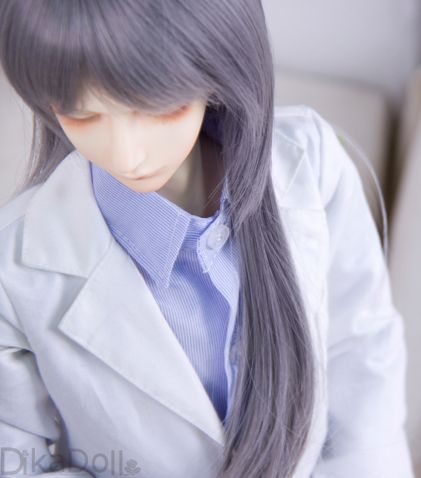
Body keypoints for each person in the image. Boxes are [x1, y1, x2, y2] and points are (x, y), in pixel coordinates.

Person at [0, 1, 414, 477]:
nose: (127, 155)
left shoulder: (313, 164)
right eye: (82, 116)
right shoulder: (15, 269)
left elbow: (361, 355)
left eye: (156, 107)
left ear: (218, 68)